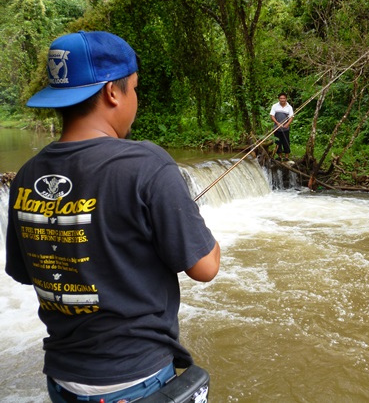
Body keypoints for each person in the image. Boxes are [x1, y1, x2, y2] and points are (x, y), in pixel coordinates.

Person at [4, 31, 221, 402]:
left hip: (62, 376)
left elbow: (27, 272)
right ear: (112, 93)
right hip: (137, 377)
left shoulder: (27, 174)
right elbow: (205, 267)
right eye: (134, 88)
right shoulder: (146, 165)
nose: (135, 98)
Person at [270, 92, 294, 160]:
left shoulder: (289, 107)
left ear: (286, 99)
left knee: (286, 142)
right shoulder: (275, 106)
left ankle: (286, 156)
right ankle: (279, 156)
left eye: (283, 98)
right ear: (278, 99)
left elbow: (291, 117)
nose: (282, 99)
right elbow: (272, 116)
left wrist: (287, 124)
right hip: (276, 128)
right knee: (278, 142)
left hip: (285, 128)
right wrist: (277, 123)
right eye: (281, 98)